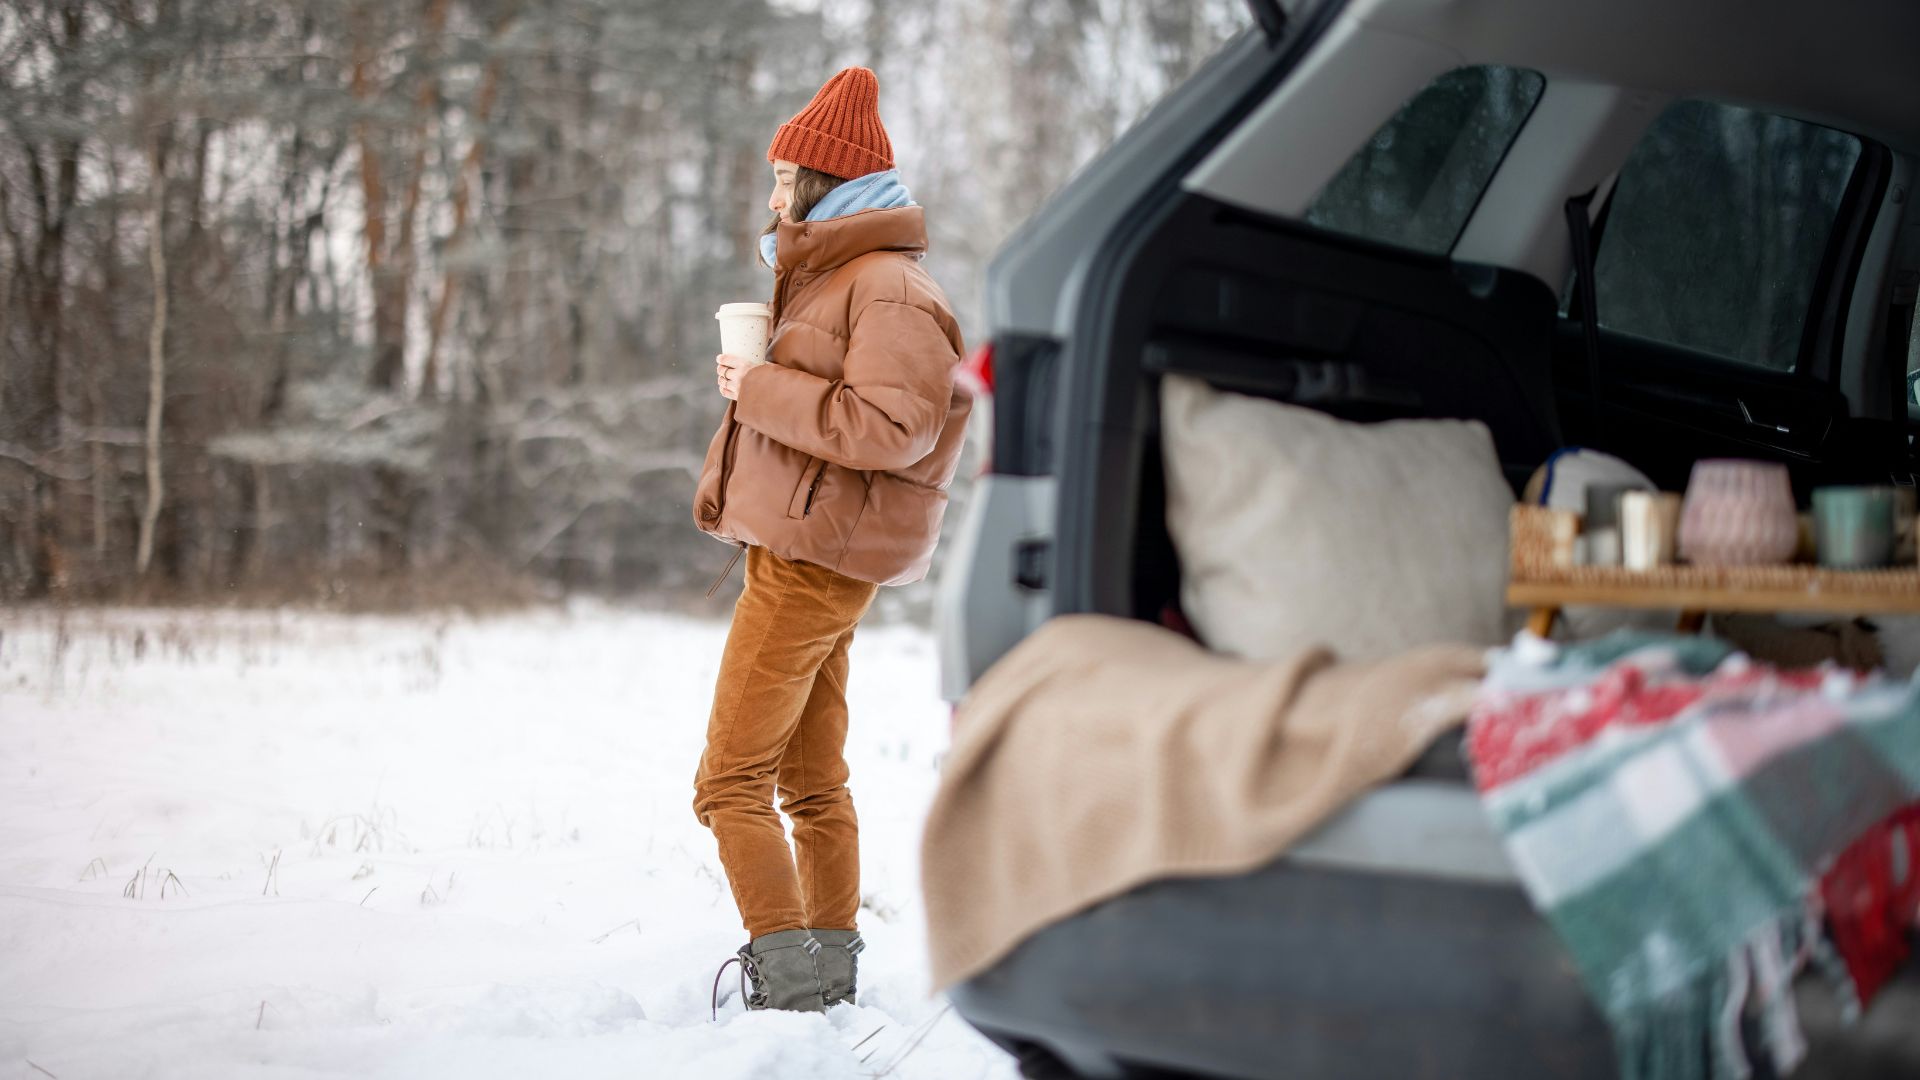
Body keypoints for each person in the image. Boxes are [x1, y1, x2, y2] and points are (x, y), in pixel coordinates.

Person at [690, 66, 972, 1014]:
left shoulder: (886, 288)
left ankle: (791, 982)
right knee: (811, 784)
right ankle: (825, 983)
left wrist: (756, 387)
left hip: (814, 564)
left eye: (782, 180)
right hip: (804, 553)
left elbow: (896, 428)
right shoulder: (838, 280)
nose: (771, 198)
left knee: (728, 781)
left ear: (822, 183)